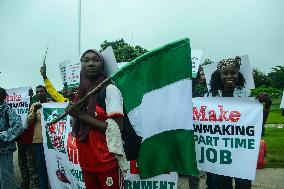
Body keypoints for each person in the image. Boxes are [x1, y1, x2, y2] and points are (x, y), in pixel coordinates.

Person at [206, 56, 272, 189]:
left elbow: (257, 127)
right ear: (219, 76)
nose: (229, 76)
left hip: (242, 154)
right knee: (221, 186)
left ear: (238, 74)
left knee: (243, 186)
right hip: (220, 155)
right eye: (225, 73)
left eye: (233, 73)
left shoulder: (248, 97)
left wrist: (267, 106)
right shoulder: (209, 98)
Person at [66, 49, 124, 189]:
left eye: (95, 60)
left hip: (106, 161)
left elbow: (116, 128)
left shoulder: (109, 90)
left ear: (102, 64)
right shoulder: (81, 93)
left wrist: (80, 115)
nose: (90, 64)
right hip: (86, 162)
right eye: (86, 61)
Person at [28, 85, 51, 189]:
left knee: (55, 164)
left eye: (41, 91)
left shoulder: (51, 104)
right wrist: (34, 111)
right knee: (41, 167)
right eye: (37, 92)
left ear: (45, 92)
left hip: (52, 140)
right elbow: (29, 122)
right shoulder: (34, 105)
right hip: (39, 140)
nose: (39, 93)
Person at [0, 87, 24, 189]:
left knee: (6, 178)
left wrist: (2, 135)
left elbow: (19, 127)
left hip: (4, 150)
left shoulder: (7, 109)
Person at [17, 87, 40, 189]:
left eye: (30, 93)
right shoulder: (17, 105)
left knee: (32, 164)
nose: (28, 94)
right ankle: (25, 182)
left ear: (32, 94)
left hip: (31, 140)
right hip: (20, 139)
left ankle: (34, 185)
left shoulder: (35, 105)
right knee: (22, 163)